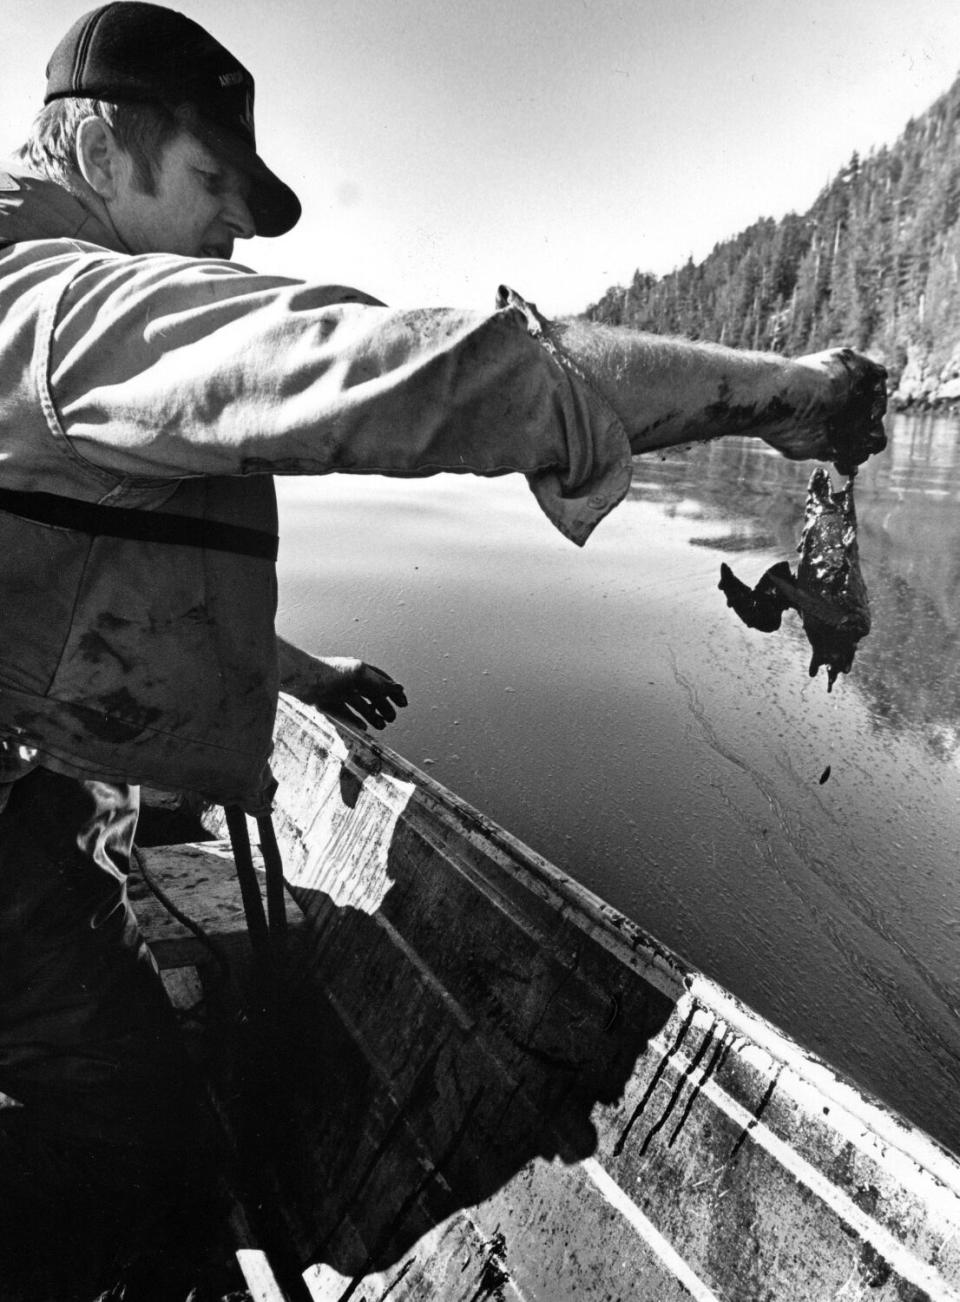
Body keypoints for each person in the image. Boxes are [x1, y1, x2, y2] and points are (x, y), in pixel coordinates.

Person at [0, 3, 887, 1297]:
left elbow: (100, 595)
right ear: (92, 152)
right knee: (143, 1149)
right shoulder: (56, 310)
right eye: (208, 183)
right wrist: (793, 398)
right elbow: (420, 377)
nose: (235, 231)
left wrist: (296, 678)